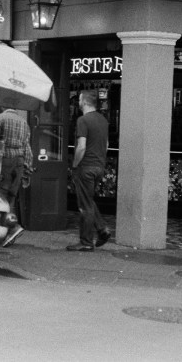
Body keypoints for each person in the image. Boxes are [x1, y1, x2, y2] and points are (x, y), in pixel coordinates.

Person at [68, 90, 112, 252]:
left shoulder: (83, 120)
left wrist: (75, 164)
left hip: (85, 166)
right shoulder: (103, 120)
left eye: (79, 100)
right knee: (89, 200)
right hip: (99, 166)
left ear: (85, 102)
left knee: (84, 206)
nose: (78, 103)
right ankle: (102, 229)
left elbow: (81, 146)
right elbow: (106, 145)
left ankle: (86, 242)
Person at [0, 108, 33, 248]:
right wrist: (27, 168)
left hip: (5, 159)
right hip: (19, 161)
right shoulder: (24, 123)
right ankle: (7, 231)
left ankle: (11, 227)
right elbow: (27, 147)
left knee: (0, 195)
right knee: (11, 196)